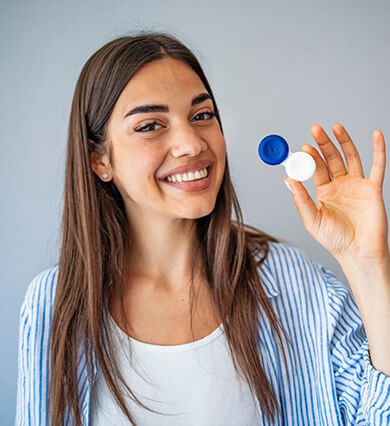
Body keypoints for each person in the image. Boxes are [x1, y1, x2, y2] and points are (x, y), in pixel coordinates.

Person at [15, 31, 390, 426]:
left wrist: (369, 266)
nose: (191, 143)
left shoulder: (294, 282)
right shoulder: (53, 305)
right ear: (99, 160)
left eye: (202, 116)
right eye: (149, 125)